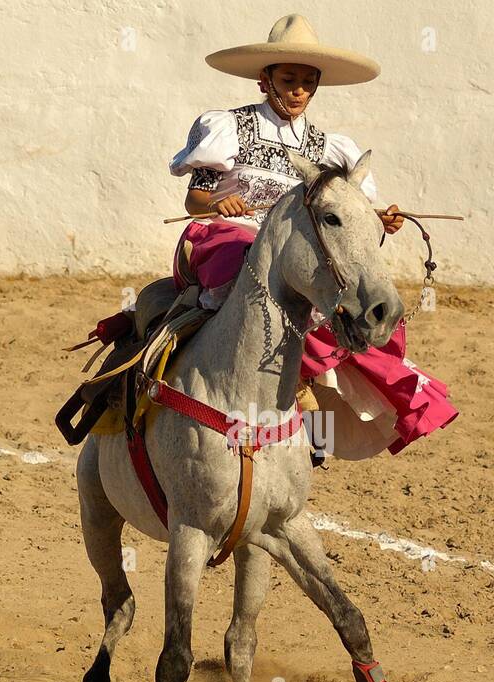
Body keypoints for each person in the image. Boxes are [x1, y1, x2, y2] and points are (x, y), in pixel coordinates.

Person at [169, 14, 457, 460]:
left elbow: (341, 216)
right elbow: (195, 200)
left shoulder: (329, 147)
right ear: (265, 81)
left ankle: (312, 435)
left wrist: (380, 218)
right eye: (288, 79)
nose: (298, 90)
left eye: (308, 81)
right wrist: (217, 205)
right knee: (249, 276)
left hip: (298, 254)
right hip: (224, 237)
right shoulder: (227, 127)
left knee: (334, 306)